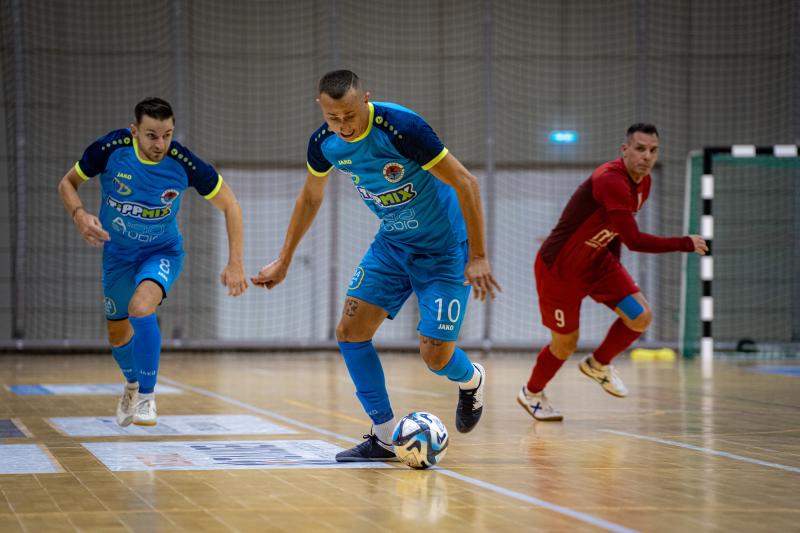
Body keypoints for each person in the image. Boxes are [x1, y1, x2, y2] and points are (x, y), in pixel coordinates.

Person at [252, 70, 502, 461]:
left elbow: (466, 183)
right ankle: (385, 436)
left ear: (366, 99)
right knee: (349, 332)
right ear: (321, 109)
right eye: (334, 118)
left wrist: (479, 256)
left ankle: (472, 379)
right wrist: (283, 260)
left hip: (445, 249)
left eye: (350, 115)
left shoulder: (402, 128)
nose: (344, 126)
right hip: (393, 245)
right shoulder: (324, 144)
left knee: (435, 356)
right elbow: (310, 198)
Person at [57, 97, 248, 427]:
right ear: (135, 131)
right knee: (117, 335)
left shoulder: (183, 163)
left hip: (162, 253)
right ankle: (131, 385)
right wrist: (79, 215)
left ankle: (147, 396)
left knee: (141, 308)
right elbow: (67, 183)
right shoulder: (111, 149)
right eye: (151, 136)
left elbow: (231, 204)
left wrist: (236, 263)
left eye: (167, 135)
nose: (160, 144)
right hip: (117, 255)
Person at [517, 123, 707, 421]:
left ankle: (598, 364)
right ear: (625, 150)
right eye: (640, 149)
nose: (647, 157)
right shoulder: (611, 179)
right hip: (560, 272)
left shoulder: (643, 183)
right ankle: (531, 392)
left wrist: (614, 270)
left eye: (653, 151)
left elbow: (618, 231)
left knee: (640, 316)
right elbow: (634, 239)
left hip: (598, 263)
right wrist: (685, 242)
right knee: (565, 344)